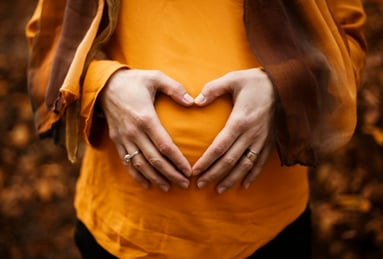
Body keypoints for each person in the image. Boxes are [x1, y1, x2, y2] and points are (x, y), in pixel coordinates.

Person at [26, 0, 366, 258]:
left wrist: (282, 87)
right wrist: (102, 87)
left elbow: (346, 42)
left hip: (267, 234)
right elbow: (50, 39)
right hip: (122, 231)